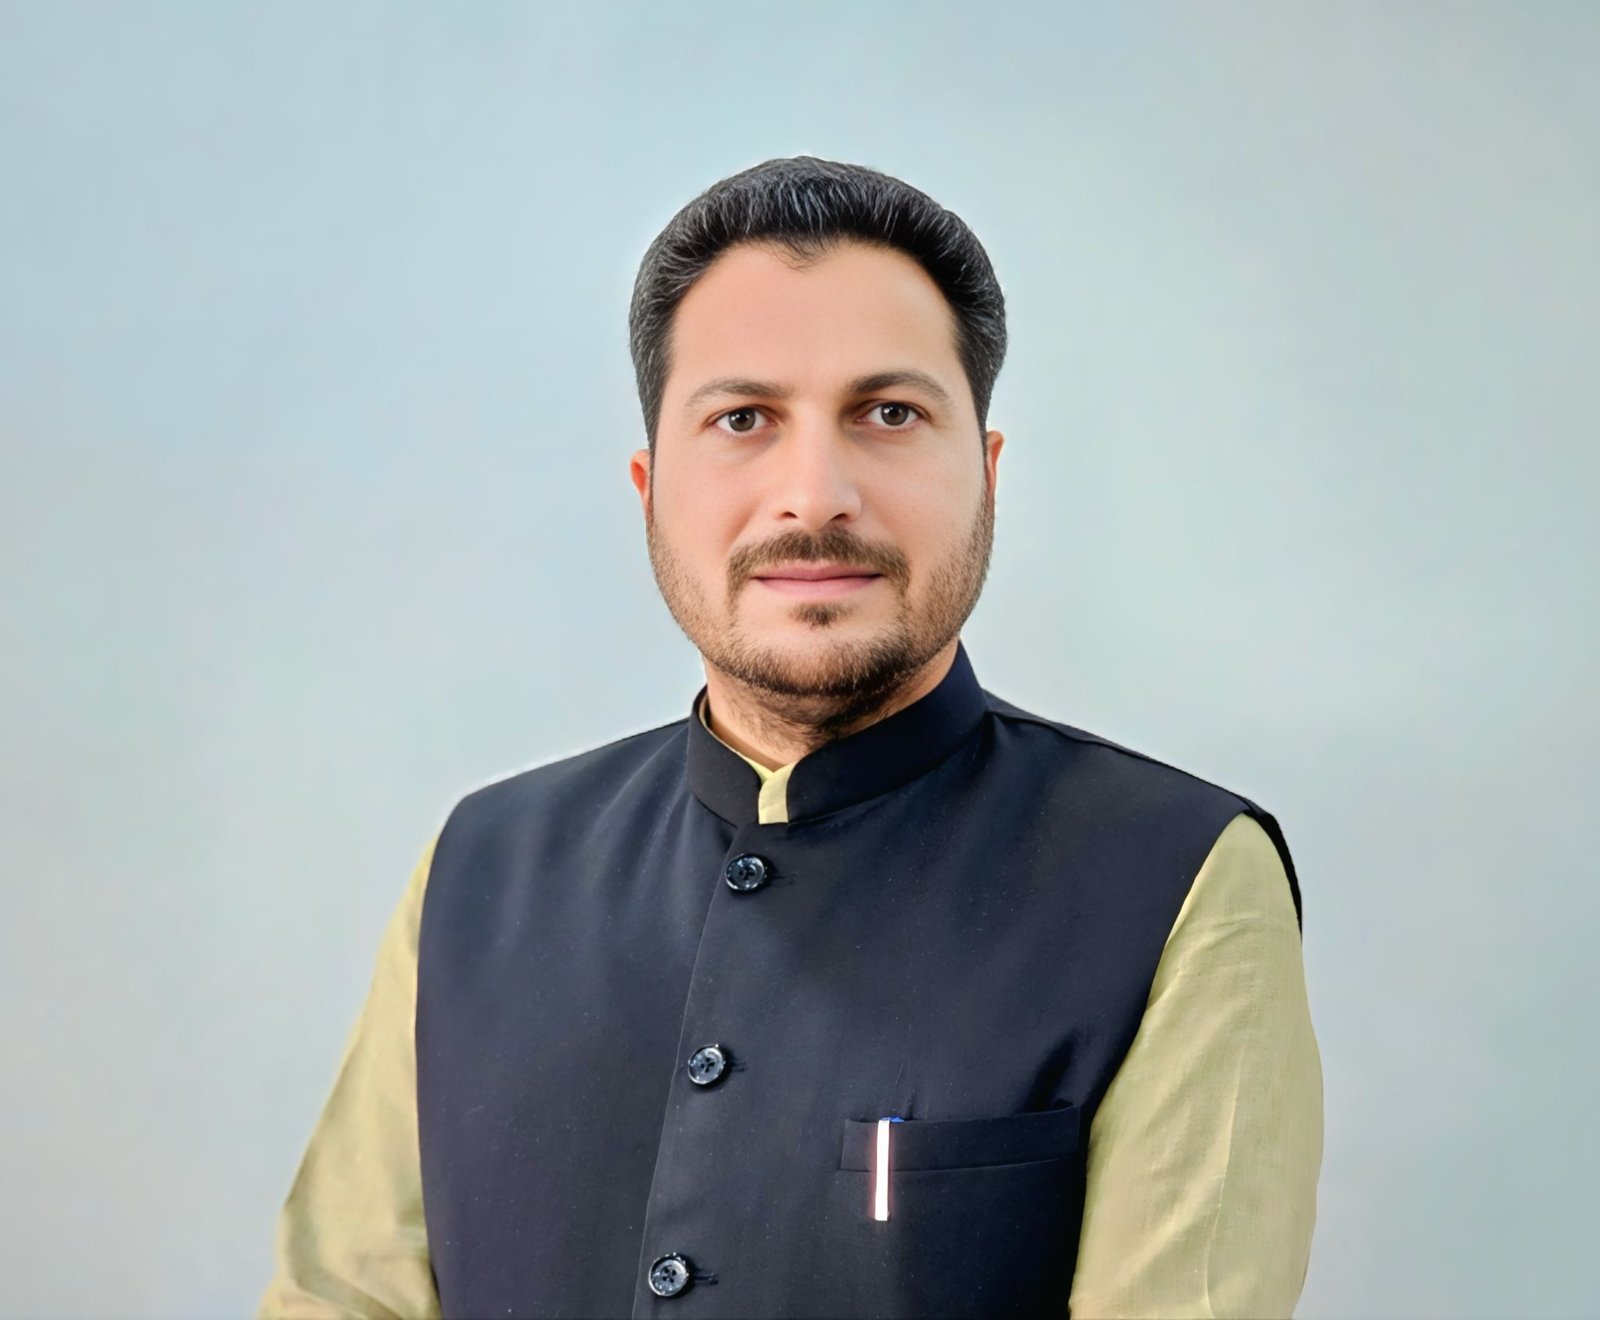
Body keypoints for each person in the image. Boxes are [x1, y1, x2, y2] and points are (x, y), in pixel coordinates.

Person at [259, 155, 1322, 1319]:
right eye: (742, 420)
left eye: (889, 414)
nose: (814, 496)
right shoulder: (480, 868)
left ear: (987, 475)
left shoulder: (1175, 878)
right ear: (649, 486)